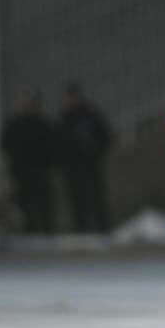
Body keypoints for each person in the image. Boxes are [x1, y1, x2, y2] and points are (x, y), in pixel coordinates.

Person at [55, 83, 114, 233]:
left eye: (72, 97)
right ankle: (80, 229)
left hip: (90, 166)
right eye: (68, 98)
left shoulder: (90, 116)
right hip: (71, 167)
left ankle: (102, 229)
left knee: (95, 198)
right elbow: (57, 142)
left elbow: (105, 137)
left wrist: (94, 152)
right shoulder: (63, 118)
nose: (70, 101)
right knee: (75, 200)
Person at [1, 92, 54, 233]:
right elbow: (5, 144)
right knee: (23, 204)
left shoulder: (43, 124)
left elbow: (51, 147)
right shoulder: (15, 125)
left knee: (43, 204)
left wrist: (47, 163)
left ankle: (45, 231)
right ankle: (26, 231)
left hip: (40, 170)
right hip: (21, 171)